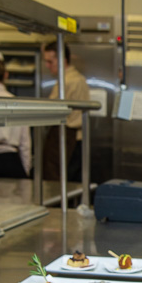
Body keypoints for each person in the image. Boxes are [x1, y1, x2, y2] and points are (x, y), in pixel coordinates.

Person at [42, 41, 89, 182]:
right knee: (72, 181)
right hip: (76, 138)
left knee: (57, 180)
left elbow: (51, 111)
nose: (47, 66)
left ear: (62, 60)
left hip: (65, 135)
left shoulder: (66, 82)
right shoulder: (79, 78)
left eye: (50, 61)